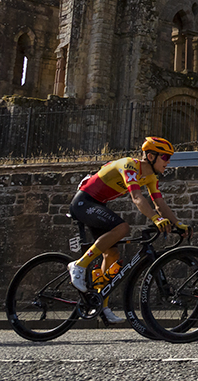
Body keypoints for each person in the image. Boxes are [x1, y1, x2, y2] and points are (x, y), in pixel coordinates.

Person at [67, 136, 190, 323]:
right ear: (150, 156)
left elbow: (159, 202)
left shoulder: (150, 177)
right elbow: (136, 197)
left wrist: (177, 223)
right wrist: (155, 219)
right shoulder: (129, 166)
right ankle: (79, 265)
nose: (168, 162)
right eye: (165, 157)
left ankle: (102, 305)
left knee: (112, 256)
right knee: (123, 227)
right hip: (84, 202)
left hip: (98, 205)